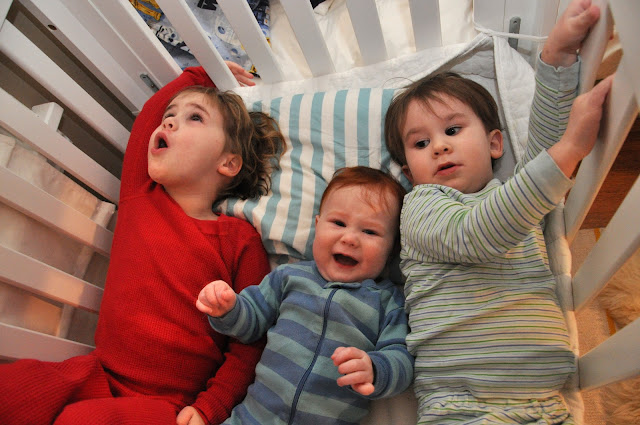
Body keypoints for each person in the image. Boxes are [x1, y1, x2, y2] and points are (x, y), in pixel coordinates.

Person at [0, 62, 284, 425]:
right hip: (95, 374)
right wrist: (199, 74)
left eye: (195, 118)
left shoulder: (240, 240)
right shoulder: (141, 196)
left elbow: (250, 340)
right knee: (14, 389)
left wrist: (212, 405)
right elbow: (148, 117)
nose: (168, 123)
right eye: (169, 116)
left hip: (165, 404)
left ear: (228, 163)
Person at [383, 0, 613, 423]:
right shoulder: (420, 207)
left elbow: (542, 149)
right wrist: (568, 153)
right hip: (460, 402)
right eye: (420, 143)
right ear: (410, 173)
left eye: (453, 130)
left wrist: (557, 59)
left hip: (545, 403)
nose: (440, 146)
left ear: (494, 144)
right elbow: (476, 234)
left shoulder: (517, 196)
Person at [196, 166, 414, 425]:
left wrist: (375, 369)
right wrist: (228, 308)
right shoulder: (289, 277)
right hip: (251, 418)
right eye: (338, 223)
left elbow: (402, 357)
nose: (350, 239)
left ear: (391, 249)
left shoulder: (387, 302)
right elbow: (250, 323)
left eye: (370, 232)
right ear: (317, 226)